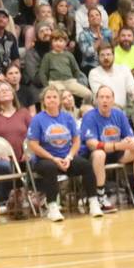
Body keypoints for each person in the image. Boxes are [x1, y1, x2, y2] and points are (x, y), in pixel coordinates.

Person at [27, 85, 103, 222]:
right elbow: (33, 145)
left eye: (54, 97)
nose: (52, 100)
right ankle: (52, 207)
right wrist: (53, 158)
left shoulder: (67, 118)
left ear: (59, 100)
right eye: (48, 97)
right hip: (45, 159)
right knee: (50, 168)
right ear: (43, 101)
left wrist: (69, 157)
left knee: (86, 165)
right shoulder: (37, 119)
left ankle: (93, 202)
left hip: (66, 157)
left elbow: (76, 140)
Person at [80, 86, 134, 210]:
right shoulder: (90, 116)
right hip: (94, 155)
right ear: (96, 100)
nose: (104, 100)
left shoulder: (119, 114)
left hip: (116, 152)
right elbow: (91, 144)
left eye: (107, 97)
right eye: (101, 97)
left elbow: (131, 137)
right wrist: (117, 145)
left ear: (113, 100)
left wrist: (131, 142)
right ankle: (100, 196)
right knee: (99, 154)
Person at [0, 82, 32, 204]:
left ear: (13, 94)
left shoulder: (23, 112)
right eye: (1, 91)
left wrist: (29, 151)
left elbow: (33, 134)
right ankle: (4, 200)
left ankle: (29, 197)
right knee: (3, 165)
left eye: (7, 89)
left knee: (36, 161)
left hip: (22, 155)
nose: (4, 92)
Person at [38, 29, 92, 103]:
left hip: (70, 82)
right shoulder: (48, 56)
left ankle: (84, 108)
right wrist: (47, 86)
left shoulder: (69, 55)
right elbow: (43, 73)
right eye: (55, 41)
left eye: (61, 41)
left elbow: (76, 70)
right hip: (55, 83)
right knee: (63, 98)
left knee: (88, 94)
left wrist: (74, 80)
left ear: (65, 43)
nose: (58, 43)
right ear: (51, 42)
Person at [88, 43, 134, 109]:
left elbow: (133, 90)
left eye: (108, 54)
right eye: (102, 55)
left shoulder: (124, 69)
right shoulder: (94, 73)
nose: (106, 57)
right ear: (98, 57)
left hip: (124, 110)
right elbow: (102, 97)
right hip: (104, 109)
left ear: (113, 56)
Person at [77, 7, 113, 74]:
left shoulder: (108, 32)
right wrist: (98, 42)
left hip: (106, 63)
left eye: (97, 15)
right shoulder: (83, 34)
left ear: (101, 18)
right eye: (92, 16)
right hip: (90, 65)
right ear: (88, 19)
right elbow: (86, 53)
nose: (95, 17)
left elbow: (112, 49)